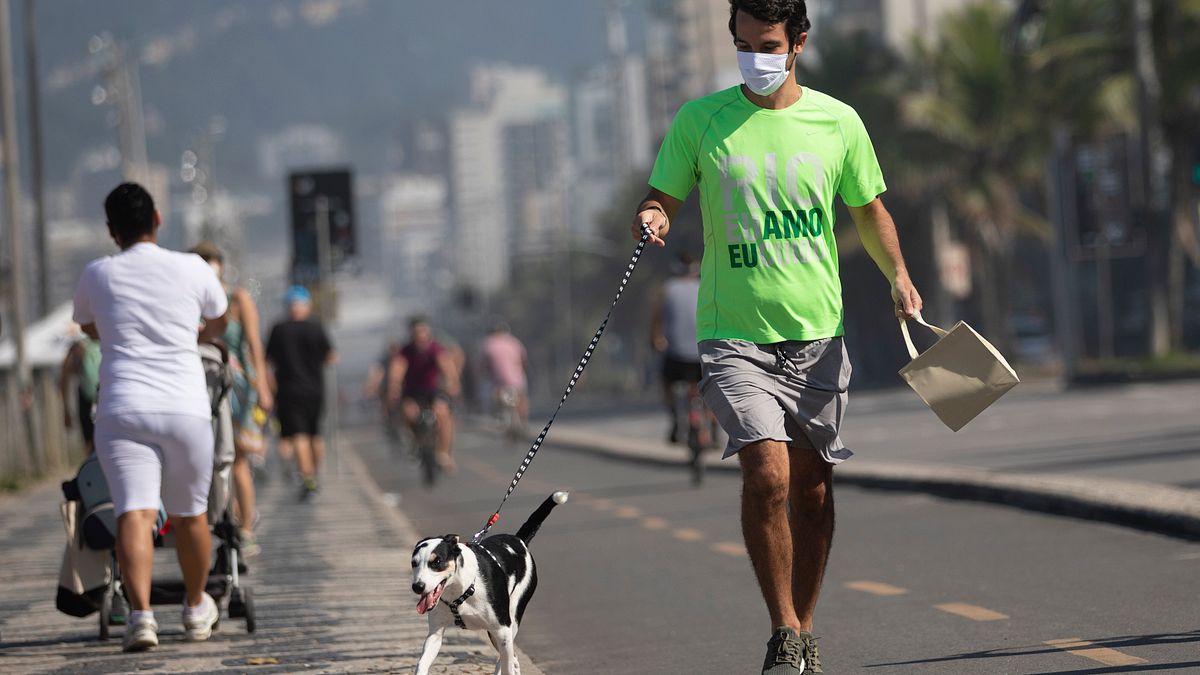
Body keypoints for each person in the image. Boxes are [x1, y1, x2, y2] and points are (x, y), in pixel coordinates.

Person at [629, 2, 923, 672]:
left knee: (814, 489)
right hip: (733, 337)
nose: (752, 58)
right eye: (741, 44)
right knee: (769, 472)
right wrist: (652, 214)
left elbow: (870, 212)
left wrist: (899, 275)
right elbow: (662, 196)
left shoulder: (837, 122)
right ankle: (783, 627)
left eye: (765, 44)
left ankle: (806, 624)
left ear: (797, 44)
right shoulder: (701, 121)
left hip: (819, 336)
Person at [72, 182, 227, 652]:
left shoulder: (97, 273)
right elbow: (218, 317)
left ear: (110, 230)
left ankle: (141, 617)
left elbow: (88, 326)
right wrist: (191, 327)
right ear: (158, 218)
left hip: (123, 408)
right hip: (185, 406)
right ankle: (196, 608)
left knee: (134, 514)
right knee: (190, 517)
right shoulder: (192, 267)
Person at [191, 242, 273, 556]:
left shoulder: (238, 299)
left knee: (238, 458)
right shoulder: (191, 301)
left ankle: (247, 527)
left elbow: (254, 344)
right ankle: (230, 517)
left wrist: (263, 386)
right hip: (202, 386)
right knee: (210, 460)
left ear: (220, 267)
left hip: (239, 389)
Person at [265, 286, 334, 500]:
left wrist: (270, 388)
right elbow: (330, 357)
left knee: (299, 435)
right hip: (315, 390)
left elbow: (267, 362)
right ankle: (314, 473)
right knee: (315, 435)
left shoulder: (278, 329)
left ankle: (308, 478)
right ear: (307, 305)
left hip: (288, 391)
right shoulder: (316, 327)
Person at [386, 316, 461, 470]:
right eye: (417, 332)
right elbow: (397, 369)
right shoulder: (405, 351)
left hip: (433, 391)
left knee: (443, 413)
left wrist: (452, 382)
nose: (421, 336)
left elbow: (446, 366)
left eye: (424, 331)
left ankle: (443, 452)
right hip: (412, 392)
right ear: (412, 334)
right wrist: (394, 386)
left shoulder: (436, 348)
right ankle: (415, 442)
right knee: (408, 413)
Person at [650, 252, 705, 445]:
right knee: (713, 388)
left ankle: (675, 419)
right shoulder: (705, 287)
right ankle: (712, 426)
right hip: (702, 354)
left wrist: (656, 340)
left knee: (665, 382)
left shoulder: (666, 289)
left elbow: (656, 320)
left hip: (676, 355)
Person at [479, 321, 529, 432]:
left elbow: (482, 365)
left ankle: (499, 415)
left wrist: (484, 374)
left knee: (495, 396)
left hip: (498, 380)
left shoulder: (487, 344)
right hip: (516, 378)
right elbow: (523, 360)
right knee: (521, 398)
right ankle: (524, 421)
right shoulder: (514, 342)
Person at [59, 331, 102, 454]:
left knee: (92, 445)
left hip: (92, 401)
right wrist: (66, 411)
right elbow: (64, 377)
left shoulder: (80, 346)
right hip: (95, 400)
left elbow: (64, 378)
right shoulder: (82, 346)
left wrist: (66, 411)